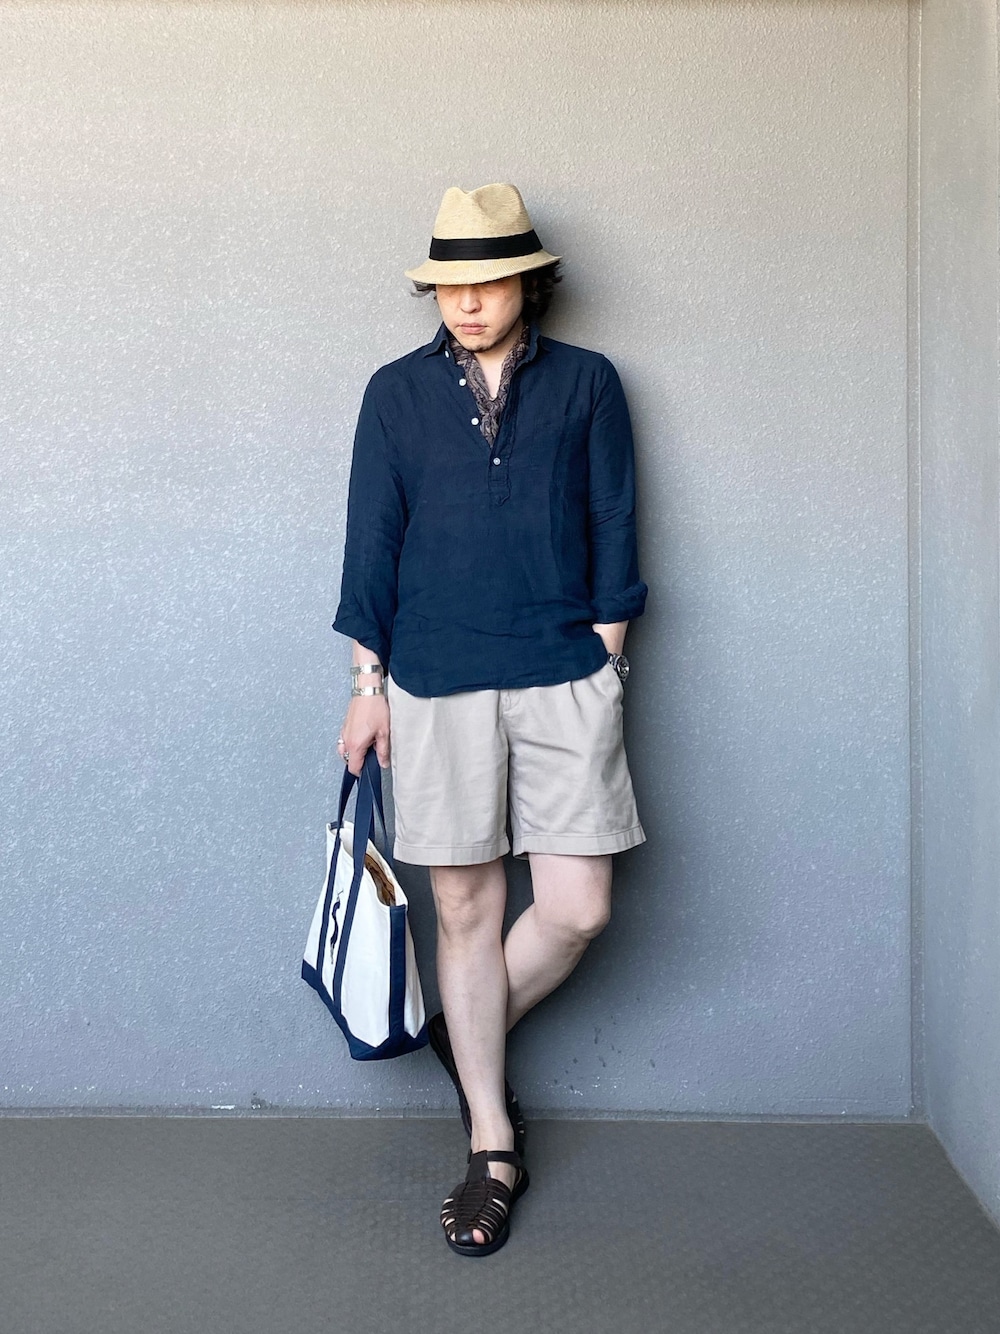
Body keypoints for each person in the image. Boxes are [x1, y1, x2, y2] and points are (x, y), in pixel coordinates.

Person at [333, 182, 647, 1257]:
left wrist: (608, 657)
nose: (466, 303)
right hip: (433, 676)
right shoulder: (394, 393)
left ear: (530, 283)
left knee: (578, 905)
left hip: (564, 668)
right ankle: (491, 1139)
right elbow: (371, 540)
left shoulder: (590, 382)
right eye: (448, 286)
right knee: (463, 910)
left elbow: (614, 518)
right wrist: (366, 684)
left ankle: (465, 1039)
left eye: (488, 283)